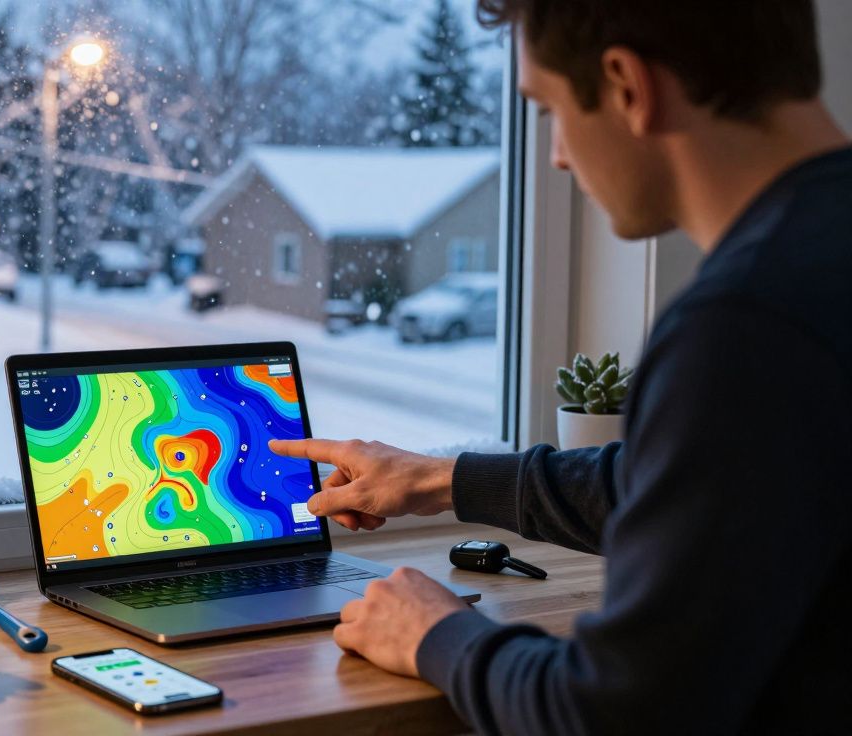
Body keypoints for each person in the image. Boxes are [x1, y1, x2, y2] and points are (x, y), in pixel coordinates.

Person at [270, 0, 850, 732]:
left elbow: (611, 715)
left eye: (547, 112)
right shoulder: (818, 266)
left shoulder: (747, 326)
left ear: (626, 86)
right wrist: (439, 481)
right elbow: (683, 486)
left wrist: (433, 635)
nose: (558, 157)